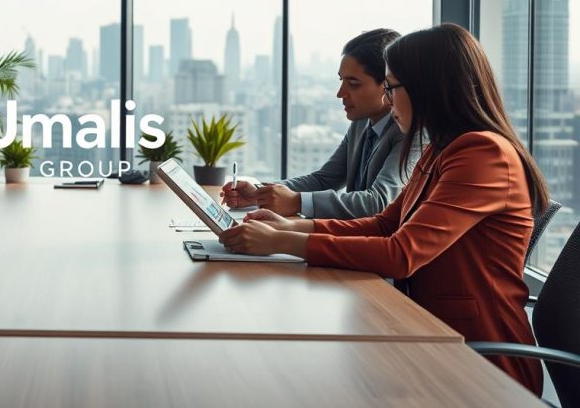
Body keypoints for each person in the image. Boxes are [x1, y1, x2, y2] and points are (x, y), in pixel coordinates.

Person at [218, 23, 545, 395]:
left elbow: (401, 253)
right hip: (428, 332)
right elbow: (383, 224)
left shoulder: (482, 155)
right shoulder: (443, 149)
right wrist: (288, 229)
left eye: (391, 87)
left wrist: (281, 242)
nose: (388, 100)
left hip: (480, 362)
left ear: (427, 88)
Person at [222, 28, 419, 219]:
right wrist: (258, 193)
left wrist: (297, 202)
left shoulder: (411, 132)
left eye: (353, 84)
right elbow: (324, 179)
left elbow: (380, 202)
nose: (340, 93)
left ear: (387, 85)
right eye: (341, 81)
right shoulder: (361, 123)